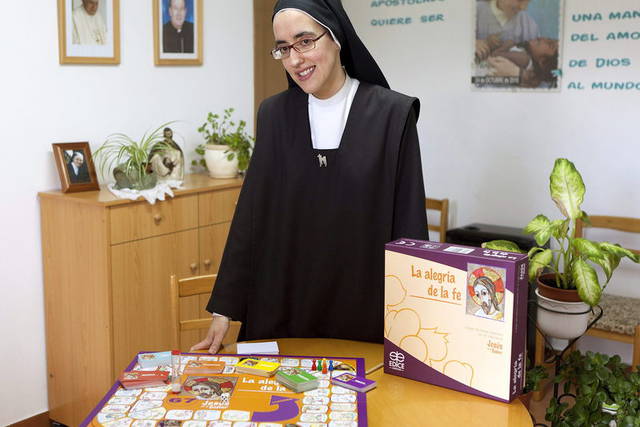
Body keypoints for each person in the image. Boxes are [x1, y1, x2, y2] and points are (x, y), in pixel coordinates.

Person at [191, 0, 428, 354]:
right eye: (284, 48)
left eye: (305, 41)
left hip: (363, 313)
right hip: (285, 307)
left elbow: (409, 225)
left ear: (336, 37)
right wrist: (224, 308)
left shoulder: (392, 116)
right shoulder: (275, 115)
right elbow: (252, 217)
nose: (295, 59)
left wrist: (412, 327)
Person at [476, 0, 540, 60]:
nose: (523, 7)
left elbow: (536, 62)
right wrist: (472, 44)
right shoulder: (475, 10)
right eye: (519, 0)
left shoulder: (528, 25)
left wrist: (517, 70)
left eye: (528, 1)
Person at [484, 37, 559, 88]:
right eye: (549, 39)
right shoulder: (529, 72)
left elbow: (495, 55)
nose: (544, 39)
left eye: (550, 44)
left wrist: (509, 43)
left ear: (543, 62)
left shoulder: (524, 59)